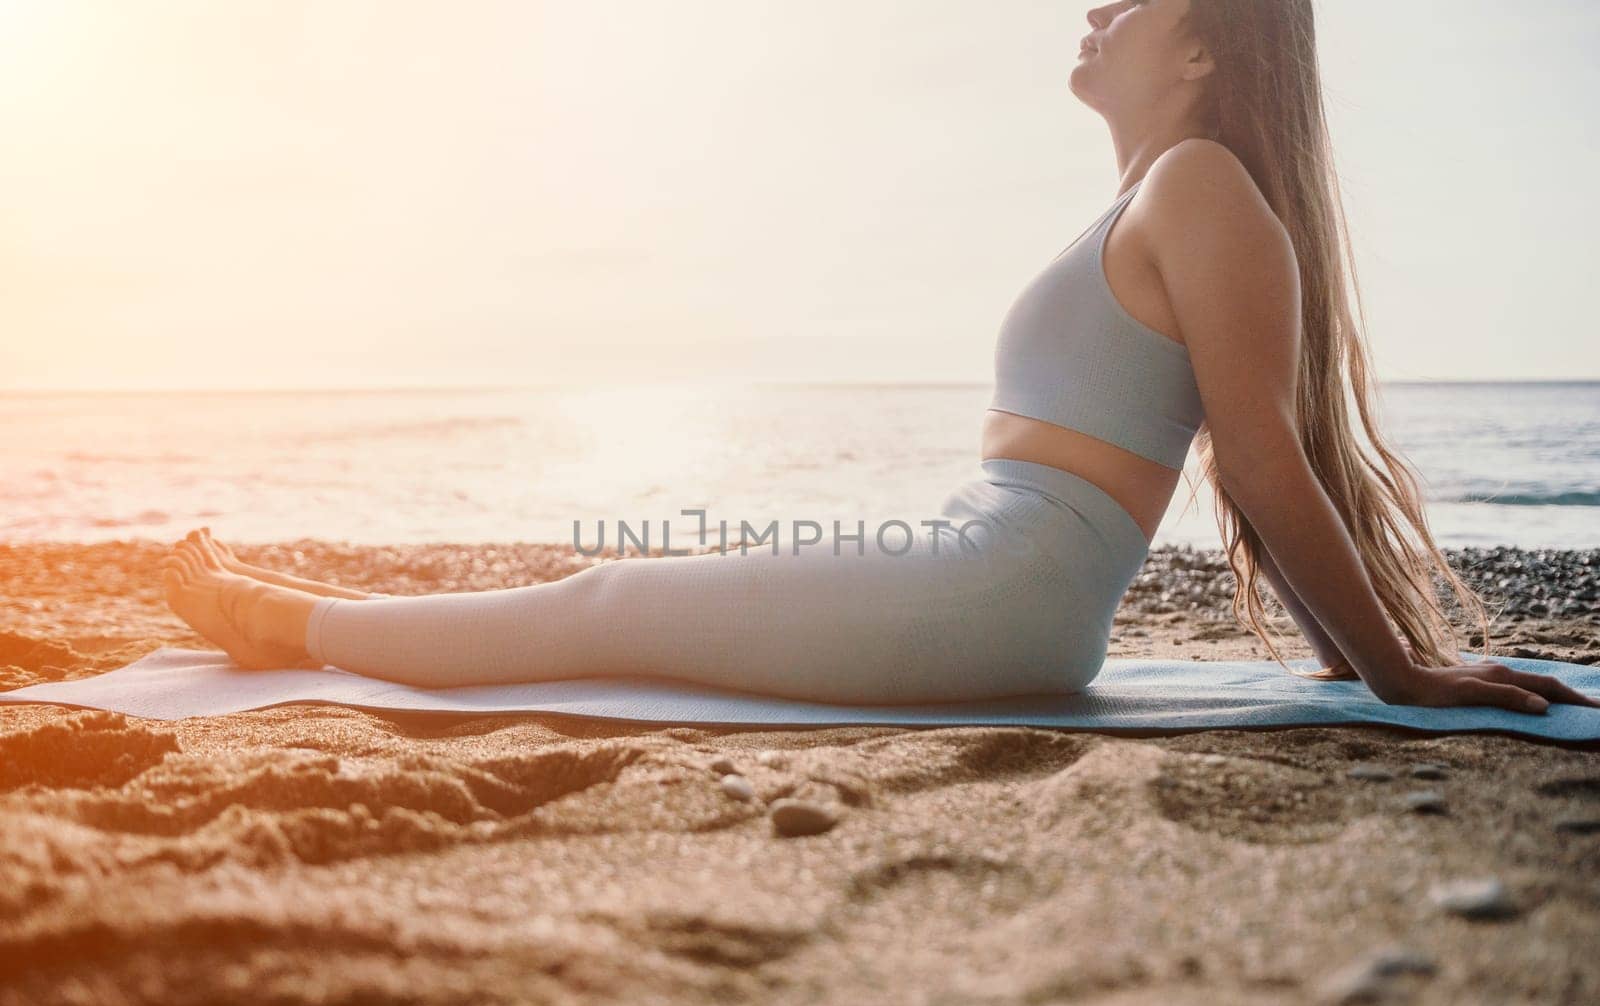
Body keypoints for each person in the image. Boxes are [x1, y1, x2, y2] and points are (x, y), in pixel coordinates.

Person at [162, 0, 1599, 714]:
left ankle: (278, 620)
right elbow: (1252, 457)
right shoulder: (1163, 195)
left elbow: (1262, 458)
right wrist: (1391, 663)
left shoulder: (1202, 188)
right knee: (637, 592)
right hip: (984, 568)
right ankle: (289, 614)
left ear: (1209, 46)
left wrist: (1400, 675)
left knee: (608, 595)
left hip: (1005, 590)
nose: (1097, 5)